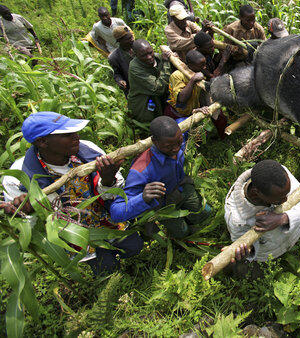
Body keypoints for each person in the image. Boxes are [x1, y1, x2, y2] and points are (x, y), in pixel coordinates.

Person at [0, 112, 143, 277]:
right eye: (68, 134)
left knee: (135, 249)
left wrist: (108, 179)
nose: (77, 137)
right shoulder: (18, 178)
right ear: (42, 142)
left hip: (108, 219)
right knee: (107, 270)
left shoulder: (88, 150)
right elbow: (27, 227)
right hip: (76, 235)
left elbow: (115, 192)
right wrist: (28, 211)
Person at [110, 116, 211, 238]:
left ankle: (190, 221)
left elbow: (185, 120)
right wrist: (143, 198)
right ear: (154, 141)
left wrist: (199, 111)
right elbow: (116, 212)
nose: (176, 149)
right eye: (168, 146)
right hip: (164, 205)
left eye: (179, 142)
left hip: (181, 187)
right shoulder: (141, 170)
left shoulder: (176, 136)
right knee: (182, 232)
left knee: (205, 212)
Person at [223, 160, 300, 266]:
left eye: (287, 195)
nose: (285, 200)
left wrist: (283, 218)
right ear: (256, 193)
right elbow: (248, 245)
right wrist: (248, 250)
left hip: (293, 235)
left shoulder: (279, 177)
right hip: (270, 253)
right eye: (279, 200)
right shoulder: (236, 218)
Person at [127, 39, 173, 125]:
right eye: (143, 55)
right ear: (135, 55)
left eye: (150, 52)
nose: (149, 57)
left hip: (158, 100)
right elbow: (158, 88)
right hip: (143, 103)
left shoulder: (157, 57)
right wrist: (166, 64)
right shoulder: (135, 68)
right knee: (150, 125)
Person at [107, 26, 135, 95]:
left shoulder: (139, 47)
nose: (132, 40)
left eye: (131, 37)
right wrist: (120, 80)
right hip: (132, 90)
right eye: (128, 39)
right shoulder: (114, 57)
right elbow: (117, 73)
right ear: (119, 41)